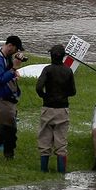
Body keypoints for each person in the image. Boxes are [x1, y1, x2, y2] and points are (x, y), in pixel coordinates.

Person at [35, 44, 76, 173]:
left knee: (45, 139)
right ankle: (61, 172)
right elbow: (73, 92)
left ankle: (43, 170)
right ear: (63, 57)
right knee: (61, 141)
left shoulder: (47, 70)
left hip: (48, 107)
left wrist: (45, 96)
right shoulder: (68, 71)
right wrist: (63, 94)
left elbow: (38, 87)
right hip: (62, 109)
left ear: (51, 56)